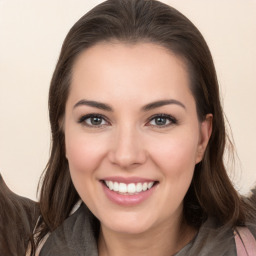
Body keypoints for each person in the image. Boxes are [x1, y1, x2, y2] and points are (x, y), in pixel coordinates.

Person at [23, 0, 255, 255]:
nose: (126, 155)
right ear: (63, 132)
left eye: (160, 119)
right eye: (96, 119)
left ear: (202, 137)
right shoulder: (24, 244)